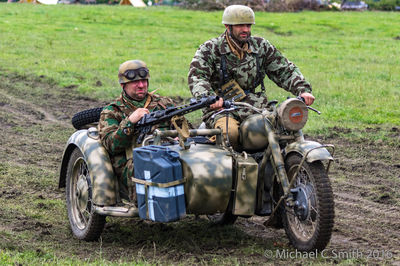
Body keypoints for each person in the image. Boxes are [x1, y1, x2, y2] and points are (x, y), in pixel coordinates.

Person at [188, 5, 315, 148]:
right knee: (229, 134)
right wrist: (209, 98)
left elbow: (284, 70)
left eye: (248, 25)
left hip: (256, 107)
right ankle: (234, 167)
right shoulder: (210, 49)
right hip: (222, 109)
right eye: (240, 25)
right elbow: (197, 76)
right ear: (227, 26)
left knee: (285, 129)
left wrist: (303, 90)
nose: (246, 30)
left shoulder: (261, 46)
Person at [98, 60, 174, 202]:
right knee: (143, 165)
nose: (141, 85)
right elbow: (111, 144)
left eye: (144, 81)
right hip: (131, 160)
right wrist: (130, 121)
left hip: (167, 152)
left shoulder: (164, 104)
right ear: (123, 85)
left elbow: (185, 128)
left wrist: (179, 136)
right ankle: (147, 211)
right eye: (135, 82)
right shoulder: (112, 111)